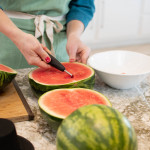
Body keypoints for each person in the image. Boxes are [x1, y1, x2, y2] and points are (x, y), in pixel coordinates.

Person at [0, 0, 95, 69]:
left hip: (61, 45)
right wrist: (17, 36)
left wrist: (74, 35)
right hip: (9, 39)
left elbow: (82, 4)